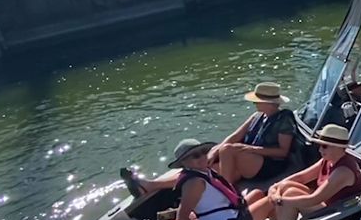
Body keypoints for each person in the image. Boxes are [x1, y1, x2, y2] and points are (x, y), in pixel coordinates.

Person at [120, 81, 297, 196]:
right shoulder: (257, 116)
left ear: (269, 102)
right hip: (249, 161)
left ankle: (226, 192)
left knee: (228, 150)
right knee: (204, 165)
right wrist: (212, 152)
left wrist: (246, 149)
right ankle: (150, 185)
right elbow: (234, 136)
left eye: (257, 101)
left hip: (270, 165)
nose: (254, 103)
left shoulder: (284, 119)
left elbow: (282, 152)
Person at [248, 124, 361, 220]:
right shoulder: (327, 160)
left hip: (334, 212)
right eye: (319, 145)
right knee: (285, 186)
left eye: (324, 146)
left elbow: (315, 199)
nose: (320, 150)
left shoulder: (343, 171)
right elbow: (301, 177)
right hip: (323, 205)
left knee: (289, 195)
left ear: (339, 148)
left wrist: (281, 201)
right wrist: (275, 187)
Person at [164, 138, 254, 220]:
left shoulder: (204, 172)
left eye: (204, 152)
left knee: (257, 193)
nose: (202, 157)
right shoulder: (195, 182)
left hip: (231, 218)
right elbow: (182, 218)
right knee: (270, 202)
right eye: (196, 156)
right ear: (183, 162)